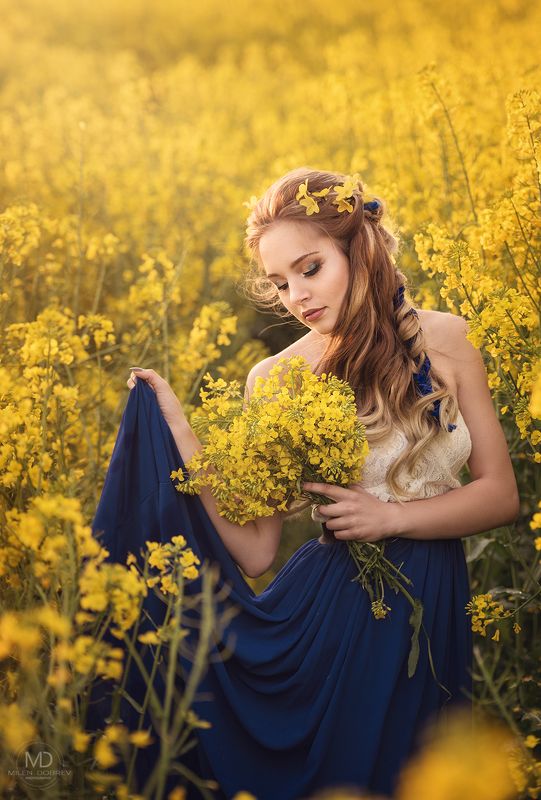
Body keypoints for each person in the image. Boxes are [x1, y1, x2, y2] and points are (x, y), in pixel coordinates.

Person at [97, 167, 519, 799]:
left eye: (309, 268)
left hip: (432, 604)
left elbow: (501, 495)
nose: (296, 294)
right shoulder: (274, 378)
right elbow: (257, 550)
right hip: (332, 613)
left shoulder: (449, 338)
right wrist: (184, 436)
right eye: (279, 282)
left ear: (358, 249)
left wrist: (393, 518)